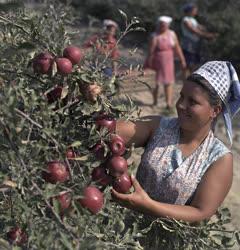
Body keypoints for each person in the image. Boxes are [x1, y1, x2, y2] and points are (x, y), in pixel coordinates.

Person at [111, 61, 240, 223]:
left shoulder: (219, 158)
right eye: (181, 97)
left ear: (215, 110)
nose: (180, 105)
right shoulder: (158, 127)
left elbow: (201, 211)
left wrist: (148, 206)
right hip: (126, 235)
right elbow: (112, 132)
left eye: (192, 102)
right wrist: (94, 99)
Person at [144, 16, 186, 110]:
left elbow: (177, 47)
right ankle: (155, 101)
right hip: (157, 60)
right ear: (159, 25)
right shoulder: (154, 36)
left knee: (169, 82)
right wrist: (149, 63)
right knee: (155, 82)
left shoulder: (172, 34)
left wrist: (182, 59)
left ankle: (169, 103)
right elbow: (151, 51)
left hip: (168, 61)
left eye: (165, 25)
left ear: (168, 25)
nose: (163, 26)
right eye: (161, 25)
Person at [181, 3, 217, 77]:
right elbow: (194, 30)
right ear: (190, 11)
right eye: (194, 10)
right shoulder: (185, 20)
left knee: (194, 63)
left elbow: (200, 28)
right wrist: (207, 35)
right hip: (188, 44)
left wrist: (210, 29)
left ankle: (192, 79)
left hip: (195, 44)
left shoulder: (193, 20)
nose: (196, 12)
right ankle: (186, 80)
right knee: (188, 63)